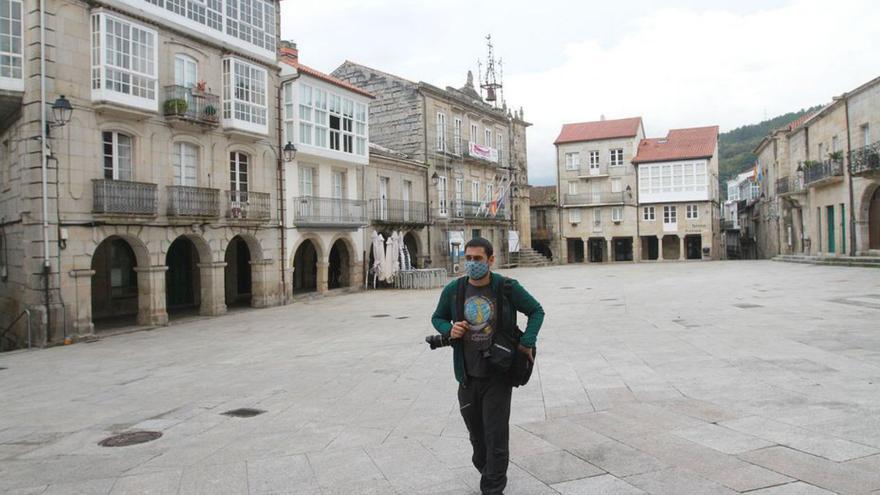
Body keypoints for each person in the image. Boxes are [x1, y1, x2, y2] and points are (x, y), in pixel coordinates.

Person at [431, 237, 545, 495]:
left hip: (498, 375)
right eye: (468, 259)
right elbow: (437, 317)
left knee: (496, 437)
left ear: (491, 260)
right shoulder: (454, 290)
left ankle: (493, 487)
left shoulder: (506, 287)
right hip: (467, 376)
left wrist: (527, 342)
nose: (472, 264)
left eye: (478, 259)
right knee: (477, 438)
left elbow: (536, 311)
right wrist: (449, 329)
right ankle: (489, 470)